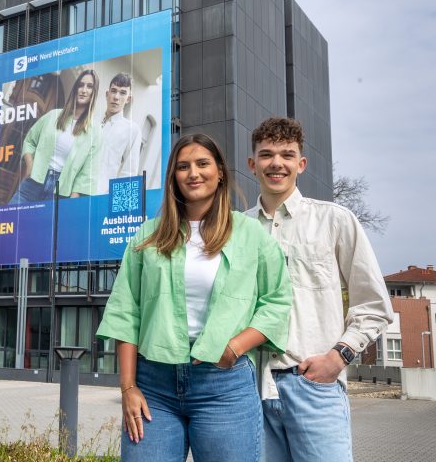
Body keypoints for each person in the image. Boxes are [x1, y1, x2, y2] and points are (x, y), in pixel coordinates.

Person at [96, 133, 292, 462]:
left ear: (220, 173)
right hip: (154, 386)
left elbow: (276, 302)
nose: (193, 173)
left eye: (203, 164)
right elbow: (126, 313)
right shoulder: (149, 235)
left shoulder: (250, 233)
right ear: (174, 176)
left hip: (224, 385)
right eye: (183, 166)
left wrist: (235, 347)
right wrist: (128, 387)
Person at [246, 117, 393, 461]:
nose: (276, 163)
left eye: (287, 154)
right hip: (251, 390)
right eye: (266, 155)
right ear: (253, 164)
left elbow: (374, 304)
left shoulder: (335, 220)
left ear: (301, 163)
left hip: (314, 386)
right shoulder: (237, 228)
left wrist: (338, 357)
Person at [11, 68, 101, 202]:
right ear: (75, 88)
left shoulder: (95, 131)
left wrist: (73, 198)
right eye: (81, 85)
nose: (84, 90)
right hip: (33, 183)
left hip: (60, 193)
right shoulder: (53, 116)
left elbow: (88, 171)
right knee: (11, 220)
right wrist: (30, 166)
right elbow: (30, 141)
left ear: (94, 92)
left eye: (89, 86)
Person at [97, 72, 141, 195]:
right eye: (114, 91)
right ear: (107, 94)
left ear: (129, 99)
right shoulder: (92, 121)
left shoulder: (132, 130)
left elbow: (129, 173)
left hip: (101, 195)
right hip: (74, 194)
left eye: (122, 93)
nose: (116, 97)